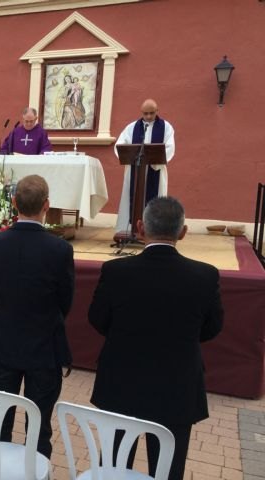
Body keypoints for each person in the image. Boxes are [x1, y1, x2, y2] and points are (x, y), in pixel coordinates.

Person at [89, 196, 223, 480]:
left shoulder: (116, 272)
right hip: (178, 386)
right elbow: (212, 328)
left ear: (140, 228)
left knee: (113, 465)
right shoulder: (205, 276)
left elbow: (98, 320)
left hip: (120, 382)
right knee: (168, 470)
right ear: (183, 232)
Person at [0, 174, 74, 459]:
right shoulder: (60, 249)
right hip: (44, 344)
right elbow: (65, 300)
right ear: (47, 205)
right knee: (39, 423)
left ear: (13, 203)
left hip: (5, 339)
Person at [114, 98, 175, 233]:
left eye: (151, 113)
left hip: (155, 169)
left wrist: (154, 160)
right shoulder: (131, 128)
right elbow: (120, 145)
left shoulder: (166, 127)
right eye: (145, 113)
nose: (148, 116)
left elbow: (170, 147)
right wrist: (128, 157)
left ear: (157, 111)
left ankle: (154, 232)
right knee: (132, 199)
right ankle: (130, 230)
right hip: (135, 170)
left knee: (155, 200)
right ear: (141, 112)